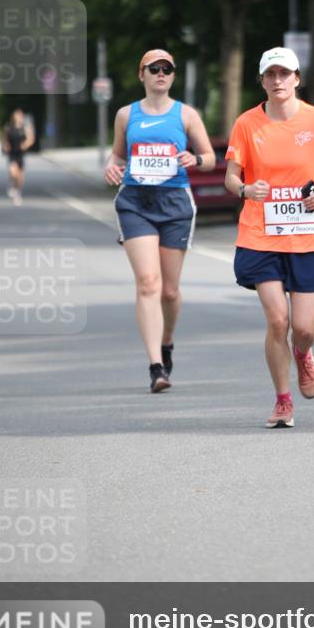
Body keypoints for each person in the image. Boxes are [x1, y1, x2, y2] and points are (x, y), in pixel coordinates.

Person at [224, 46, 314, 429]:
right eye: (270, 75)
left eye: (285, 74)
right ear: (261, 81)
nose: (278, 81)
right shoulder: (247, 123)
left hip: (308, 236)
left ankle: (303, 353)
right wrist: (247, 190)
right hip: (261, 234)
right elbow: (231, 177)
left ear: (297, 78)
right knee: (278, 321)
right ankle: (282, 400)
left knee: (304, 328)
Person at [104, 48, 216, 394]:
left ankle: (167, 341)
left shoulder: (186, 115)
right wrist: (111, 165)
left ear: (173, 75)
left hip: (174, 204)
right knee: (148, 283)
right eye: (154, 68)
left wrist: (194, 158)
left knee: (169, 290)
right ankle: (155, 367)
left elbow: (211, 159)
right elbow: (117, 154)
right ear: (142, 74)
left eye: (167, 68)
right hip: (136, 202)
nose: (161, 73)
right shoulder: (127, 115)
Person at [2, 110, 35, 205]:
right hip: (12, 153)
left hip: (21, 153)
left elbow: (31, 139)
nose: (18, 118)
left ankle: (18, 193)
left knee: (20, 177)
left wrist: (26, 144)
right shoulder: (8, 127)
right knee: (13, 172)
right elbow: (4, 139)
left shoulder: (26, 127)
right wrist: (5, 145)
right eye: (16, 116)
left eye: (20, 116)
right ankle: (12, 186)